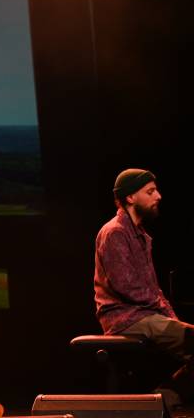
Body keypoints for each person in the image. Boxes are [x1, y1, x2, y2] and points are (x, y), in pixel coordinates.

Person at [94, 168, 194, 417]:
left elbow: (152, 287)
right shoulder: (115, 232)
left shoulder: (139, 234)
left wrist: (171, 318)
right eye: (150, 192)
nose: (158, 196)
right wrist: (163, 311)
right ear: (130, 197)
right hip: (126, 318)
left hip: (145, 315)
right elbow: (127, 286)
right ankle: (158, 402)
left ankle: (160, 400)